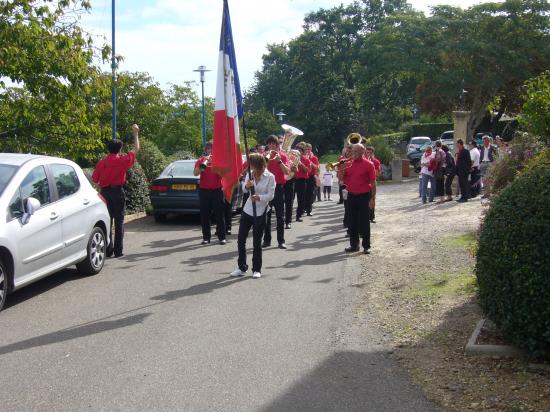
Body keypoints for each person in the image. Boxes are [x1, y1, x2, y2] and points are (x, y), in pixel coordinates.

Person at [92, 124, 140, 258]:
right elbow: (136, 149)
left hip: (105, 193)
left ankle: (108, 249)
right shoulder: (123, 160)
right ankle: (118, 251)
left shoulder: (102, 163)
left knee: (107, 221)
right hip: (118, 192)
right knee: (119, 222)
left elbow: (95, 179)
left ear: (108, 149)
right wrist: (135, 134)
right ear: (119, 149)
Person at [230, 153, 275, 279]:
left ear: (258, 165)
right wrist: (247, 186)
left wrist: (259, 197)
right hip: (247, 210)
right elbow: (244, 190)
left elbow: (271, 195)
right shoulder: (250, 174)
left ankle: (256, 269)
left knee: (256, 241)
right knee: (241, 239)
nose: (250, 167)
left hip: (261, 212)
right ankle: (241, 267)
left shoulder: (270, 177)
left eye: (252, 164)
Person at [339, 144, 376, 254]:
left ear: (362, 152)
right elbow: (341, 179)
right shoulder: (348, 164)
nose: (352, 153)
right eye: (352, 151)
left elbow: (373, 183)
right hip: (351, 196)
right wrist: (342, 168)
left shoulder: (369, 164)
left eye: (355, 151)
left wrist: (373, 199)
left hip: (364, 196)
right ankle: (354, 245)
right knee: (352, 221)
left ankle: (366, 246)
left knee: (364, 221)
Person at [194, 142, 226, 245]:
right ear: (206, 150)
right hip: (204, 191)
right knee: (204, 216)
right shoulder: (200, 160)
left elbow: (223, 174)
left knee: (219, 215)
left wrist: (215, 165)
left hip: (217, 190)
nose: (210, 151)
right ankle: (206, 238)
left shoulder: (219, 161)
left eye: (212, 149)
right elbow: (195, 173)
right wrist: (205, 164)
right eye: (209, 149)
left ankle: (222, 237)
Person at [262, 135, 290, 249]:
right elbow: (259, 171)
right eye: (270, 143)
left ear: (277, 145)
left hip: (278, 188)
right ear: (267, 145)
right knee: (266, 216)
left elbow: (287, 171)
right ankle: (267, 240)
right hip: (266, 188)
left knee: (280, 216)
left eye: (274, 143)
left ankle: (281, 241)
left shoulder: (283, 156)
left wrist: (279, 162)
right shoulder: (263, 156)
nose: (272, 145)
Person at [293, 144, 311, 222]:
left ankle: (298, 215)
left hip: (302, 181)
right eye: (297, 150)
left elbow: (308, 170)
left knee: (301, 199)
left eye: (300, 150)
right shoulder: (291, 158)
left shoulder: (306, 159)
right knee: (290, 199)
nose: (298, 152)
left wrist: (301, 164)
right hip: (293, 180)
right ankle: (288, 216)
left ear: (302, 152)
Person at [365, 146, 381, 223]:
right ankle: (366, 217)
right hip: (364, 185)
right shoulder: (363, 161)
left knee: (372, 200)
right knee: (365, 201)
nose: (368, 154)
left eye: (370, 153)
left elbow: (378, 173)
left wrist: (371, 166)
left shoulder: (376, 162)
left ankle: (372, 217)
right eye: (367, 152)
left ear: (373, 153)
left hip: (372, 184)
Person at [304, 143, 319, 216]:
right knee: (304, 194)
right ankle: (303, 208)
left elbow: (316, 167)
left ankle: (309, 210)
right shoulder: (302, 157)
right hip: (303, 177)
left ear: (311, 149)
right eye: (306, 149)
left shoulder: (314, 158)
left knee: (310, 194)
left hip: (310, 177)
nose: (307, 150)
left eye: (309, 149)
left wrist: (309, 161)